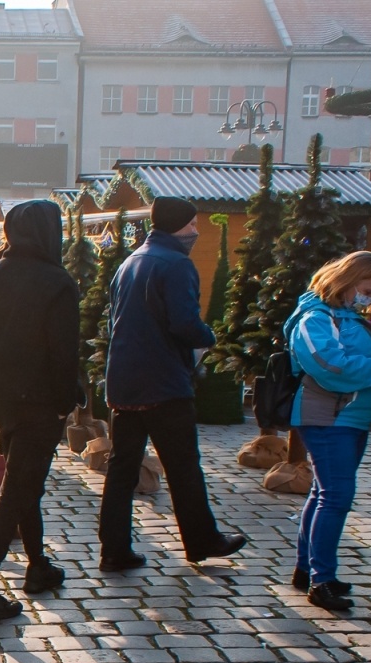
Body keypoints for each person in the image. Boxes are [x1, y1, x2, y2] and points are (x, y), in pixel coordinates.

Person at [99, 196, 246, 570]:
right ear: (178, 225)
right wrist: (209, 335)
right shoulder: (176, 264)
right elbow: (184, 324)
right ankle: (201, 540)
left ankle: (113, 548)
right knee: (183, 467)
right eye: (192, 224)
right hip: (163, 382)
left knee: (121, 470)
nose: (196, 231)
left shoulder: (130, 262)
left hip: (124, 381)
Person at [0, 200, 84, 621]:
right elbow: (65, 354)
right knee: (17, 491)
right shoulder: (57, 282)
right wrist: (66, 403)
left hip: (4, 401)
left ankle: (38, 566)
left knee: (25, 481)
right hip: (41, 402)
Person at [286, 251, 371, 611]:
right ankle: (321, 581)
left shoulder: (344, 315)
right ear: (347, 281)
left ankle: (309, 570)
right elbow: (329, 364)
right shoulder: (316, 317)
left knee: (324, 493)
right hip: (329, 418)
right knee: (336, 497)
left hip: (348, 418)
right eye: (367, 289)